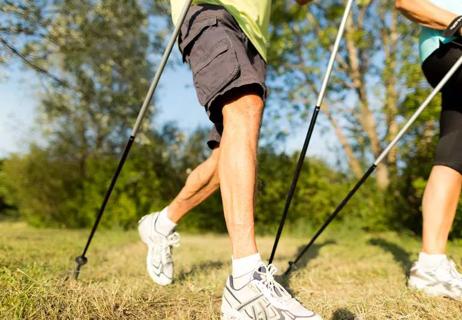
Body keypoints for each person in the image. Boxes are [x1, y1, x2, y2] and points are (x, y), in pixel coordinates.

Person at [138, 0, 322, 318]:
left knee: (229, 155)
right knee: (244, 106)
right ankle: (245, 281)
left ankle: (160, 224)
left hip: (254, 36)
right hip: (209, 9)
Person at [395, 0, 462, 300]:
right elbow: (407, 2)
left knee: (456, 146)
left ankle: (430, 266)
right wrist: (459, 23)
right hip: (448, 44)